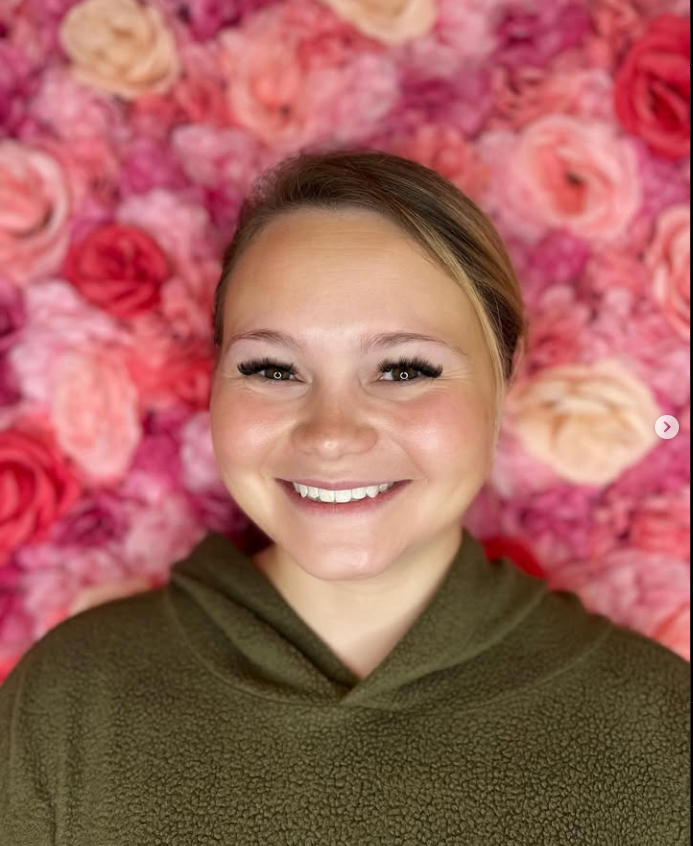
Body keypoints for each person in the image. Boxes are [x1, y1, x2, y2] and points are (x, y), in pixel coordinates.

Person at [0, 150, 689, 846]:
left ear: (502, 377)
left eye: (402, 369)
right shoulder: (68, 702)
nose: (331, 434)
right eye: (272, 368)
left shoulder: (661, 728)